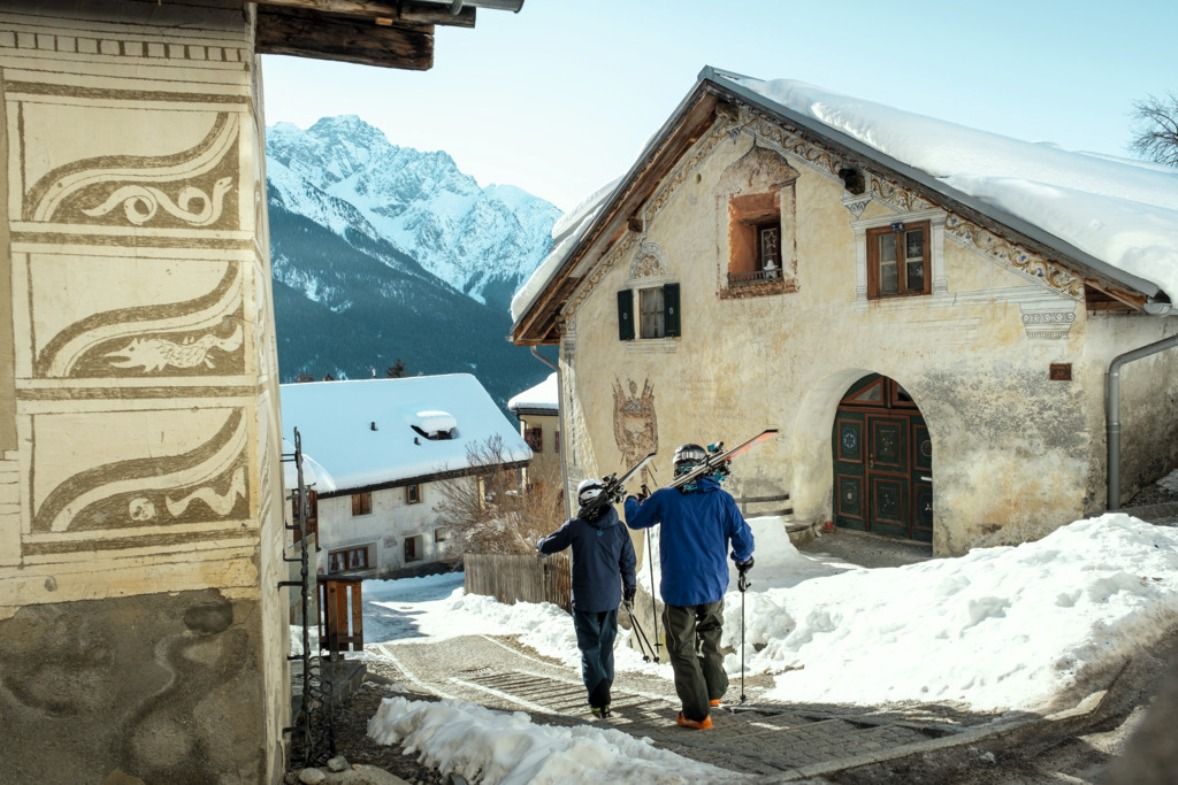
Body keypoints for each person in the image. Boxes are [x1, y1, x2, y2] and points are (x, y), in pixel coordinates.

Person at [624, 443, 754, 730]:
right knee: (711, 637)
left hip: (680, 588)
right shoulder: (722, 500)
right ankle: (713, 693)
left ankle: (696, 714)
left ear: (676, 467)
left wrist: (633, 501)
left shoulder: (666, 499)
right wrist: (743, 559)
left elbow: (635, 519)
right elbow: (744, 539)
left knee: (681, 647)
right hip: (712, 586)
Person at [537, 477, 637, 719]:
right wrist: (630, 590)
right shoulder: (619, 528)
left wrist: (539, 543)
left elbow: (551, 544)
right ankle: (605, 691)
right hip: (610, 598)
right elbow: (628, 562)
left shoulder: (576, 527)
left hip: (585, 599)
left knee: (590, 647)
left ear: (582, 501)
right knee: (605, 647)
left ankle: (598, 697)